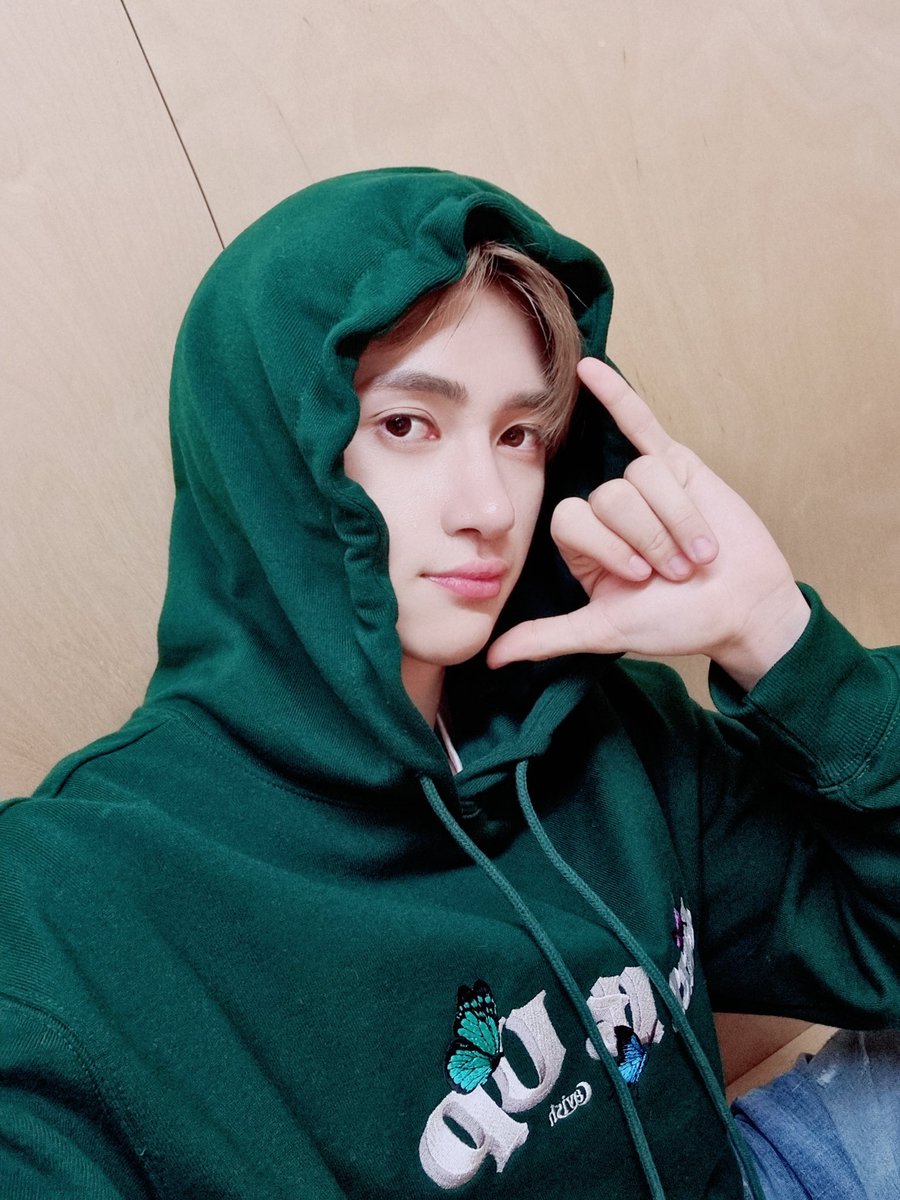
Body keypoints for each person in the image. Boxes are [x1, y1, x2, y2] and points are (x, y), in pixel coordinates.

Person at [0, 166, 898, 1199]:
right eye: (407, 425)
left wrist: (778, 637)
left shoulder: (607, 727)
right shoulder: (75, 897)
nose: (491, 507)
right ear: (268, 457)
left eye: (520, 436)